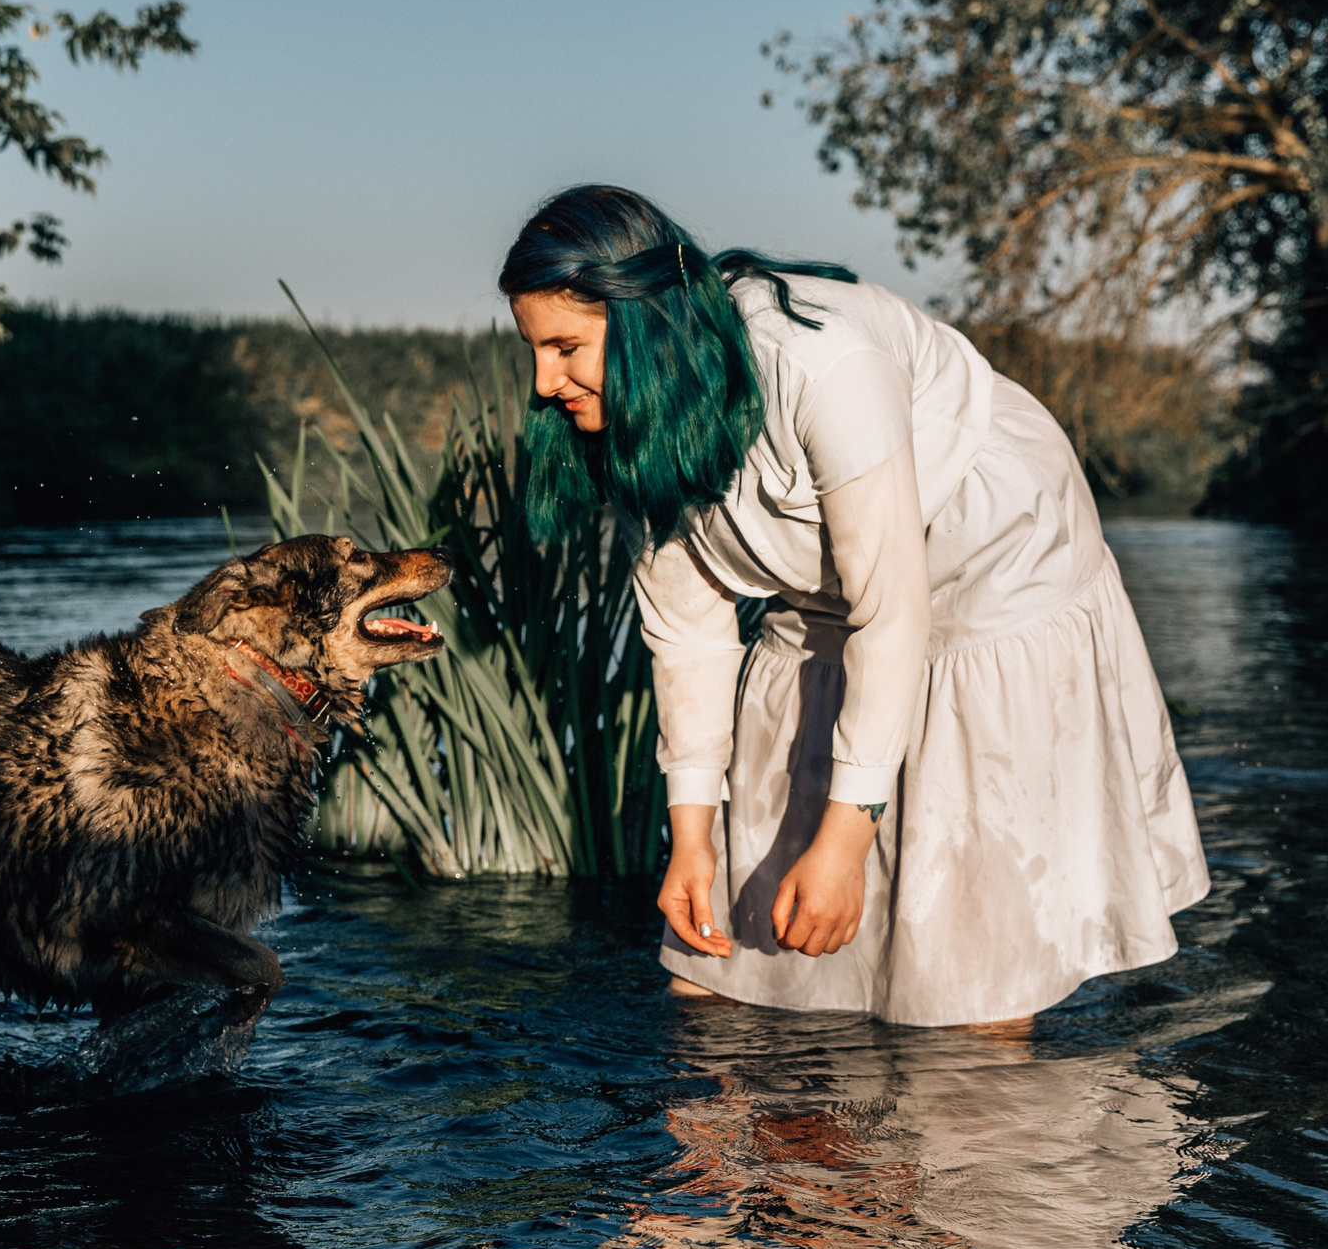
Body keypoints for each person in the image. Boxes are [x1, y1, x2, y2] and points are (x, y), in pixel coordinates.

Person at [500, 185, 1208, 1026]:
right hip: (827, 589)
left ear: (643, 315)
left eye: (565, 347)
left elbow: (892, 611)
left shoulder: (819, 358)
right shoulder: (631, 424)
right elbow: (690, 637)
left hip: (993, 556)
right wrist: (692, 837)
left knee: (969, 963)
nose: (544, 384)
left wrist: (844, 837)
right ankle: (742, 1149)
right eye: (533, 351)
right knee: (716, 966)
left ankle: (980, 1127)